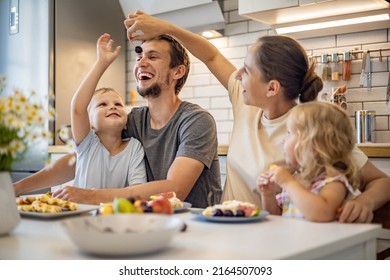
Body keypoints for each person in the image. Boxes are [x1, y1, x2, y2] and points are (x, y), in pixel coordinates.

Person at [123, 10, 390, 222]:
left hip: (270, 239)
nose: (237, 76)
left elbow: (381, 181)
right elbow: (212, 56)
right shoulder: (247, 103)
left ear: (272, 88)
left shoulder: (310, 129)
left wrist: (363, 202)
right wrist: (167, 28)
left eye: (247, 71)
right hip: (227, 226)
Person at [14, 34, 222, 208]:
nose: (141, 62)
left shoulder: (196, 121)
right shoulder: (133, 121)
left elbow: (175, 189)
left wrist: (90, 196)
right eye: (139, 56)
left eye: (153, 56)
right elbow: (78, 160)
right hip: (150, 223)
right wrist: (18, 188)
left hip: (196, 225)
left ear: (178, 71)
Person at [258, 102, 361, 222]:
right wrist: (268, 195)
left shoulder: (333, 182)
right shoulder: (296, 179)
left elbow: (323, 213)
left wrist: (287, 182)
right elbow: (277, 220)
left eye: (290, 133)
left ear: (315, 145)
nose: (283, 140)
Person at [71, 33, 146, 190]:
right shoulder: (88, 143)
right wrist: (101, 63)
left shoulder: (134, 147)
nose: (112, 107)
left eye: (118, 104)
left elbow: (138, 190)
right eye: (102, 104)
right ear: (89, 123)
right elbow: (78, 108)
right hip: (82, 213)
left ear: (126, 123)